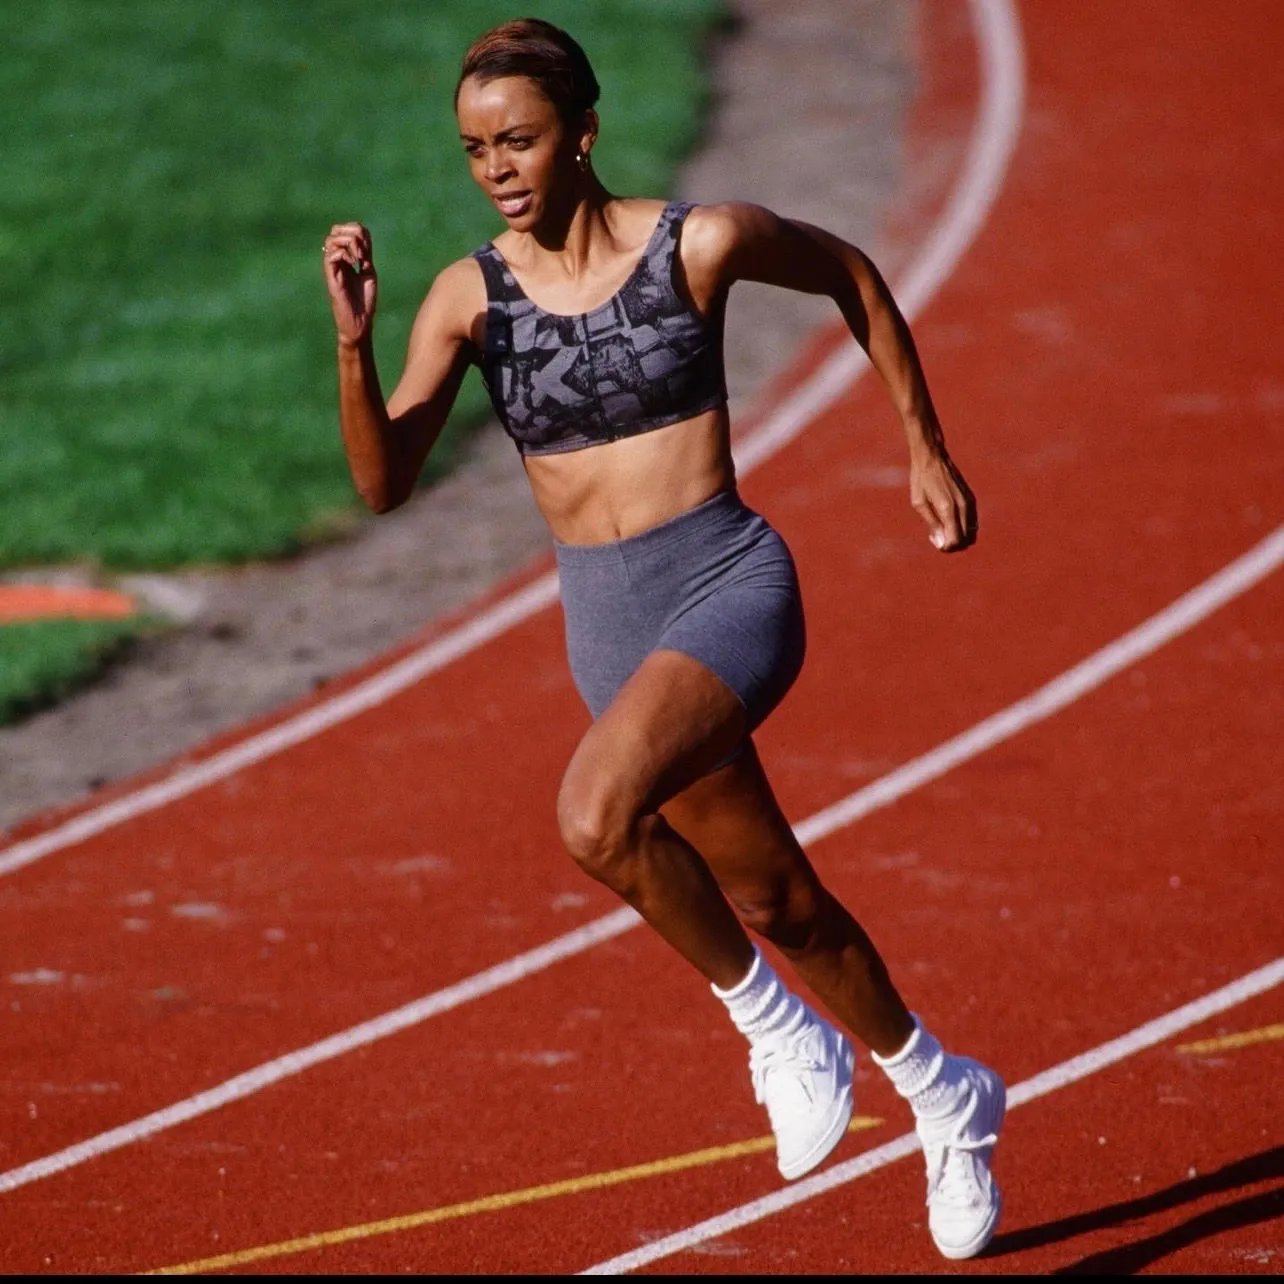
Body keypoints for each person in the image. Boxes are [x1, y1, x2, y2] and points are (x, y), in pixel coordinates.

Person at [323, 17, 1003, 1261]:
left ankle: (775, 1032)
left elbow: (852, 270)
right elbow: (383, 485)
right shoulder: (469, 299)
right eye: (475, 150)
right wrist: (357, 348)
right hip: (609, 623)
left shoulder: (701, 244)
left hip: (727, 581)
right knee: (778, 899)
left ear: (583, 132)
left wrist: (924, 446)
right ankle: (944, 1092)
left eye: (519, 140)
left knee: (594, 815)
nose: (497, 169)